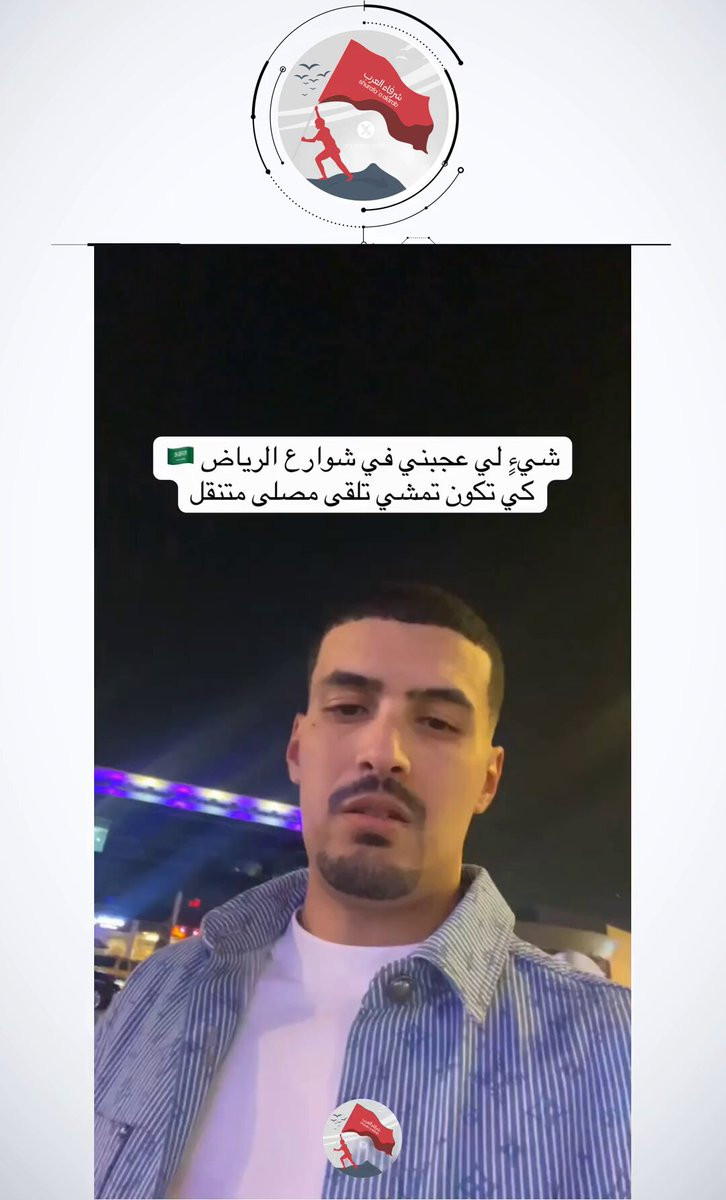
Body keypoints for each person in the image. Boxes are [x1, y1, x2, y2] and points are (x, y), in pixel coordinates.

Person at [95, 583, 630, 1199]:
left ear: (489, 778)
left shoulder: (614, 1056)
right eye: (349, 708)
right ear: (298, 748)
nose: (382, 753)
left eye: (437, 722)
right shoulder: (161, 991)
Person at [300, 106, 353, 181]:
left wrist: (304, 140)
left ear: (319, 124)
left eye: (316, 124)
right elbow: (320, 119)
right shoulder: (325, 129)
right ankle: (325, 176)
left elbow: (313, 140)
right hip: (329, 150)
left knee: (338, 163)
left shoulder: (321, 132)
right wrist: (316, 111)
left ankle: (349, 176)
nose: (315, 125)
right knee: (319, 159)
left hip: (332, 150)